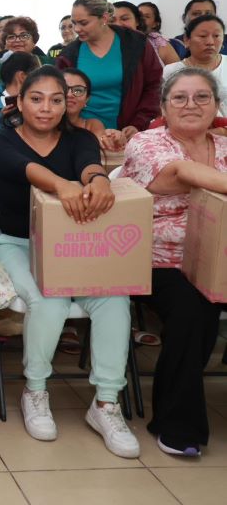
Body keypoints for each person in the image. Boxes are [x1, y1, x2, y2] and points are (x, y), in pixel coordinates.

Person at [0, 66, 139, 458]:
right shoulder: (1, 142)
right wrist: (63, 184)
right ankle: (35, 391)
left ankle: (106, 403)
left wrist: (99, 180)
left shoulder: (79, 139)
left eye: (57, 99)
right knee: (48, 298)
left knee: (114, 299)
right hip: (17, 243)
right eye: (36, 99)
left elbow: (90, 164)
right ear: (19, 101)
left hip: (75, 244)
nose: (46, 108)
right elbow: (31, 172)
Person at [121, 68, 227, 457]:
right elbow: (180, 174)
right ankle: (176, 423)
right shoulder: (149, 143)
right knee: (193, 310)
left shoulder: (225, 146)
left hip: (222, 258)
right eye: (179, 97)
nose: (191, 105)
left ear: (216, 106)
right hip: (165, 261)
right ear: (164, 106)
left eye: (202, 97)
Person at [56, 0, 162, 137]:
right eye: (74, 23)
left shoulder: (135, 43)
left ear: (104, 18)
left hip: (127, 131)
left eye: (84, 23)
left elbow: (154, 85)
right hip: (81, 133)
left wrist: (138, 123)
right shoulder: (69, 55)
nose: (77, 29)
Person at [162, 15, 227, 114]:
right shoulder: (171, 71)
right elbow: (165, 111)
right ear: (187, 40)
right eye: (203, 36)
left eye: (216, 36)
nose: (210, 42)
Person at [0, 17, 53, 86]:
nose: (17, 40)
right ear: (5, 43)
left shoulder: (50, 63)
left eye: (24, 36)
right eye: (11, 37)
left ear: (34, 41)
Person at [61, 68, 118, 149]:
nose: (70, 94)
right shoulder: (44, 122)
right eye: (65, 89)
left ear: (87, 99)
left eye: (78, 90)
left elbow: (101, 140)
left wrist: (112, 138)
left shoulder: (92, 125)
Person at [111, 1, 180, 67]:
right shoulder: (103, 43)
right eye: (112, 20)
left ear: (137, 21)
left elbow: (178, 73)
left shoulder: (155, 41)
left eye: (125, 19)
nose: (118, 24)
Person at [0, 52, 41, 133]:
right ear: (22, 76)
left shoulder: (40, 103)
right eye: (37, 75)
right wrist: (3, 122)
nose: (41, 81)